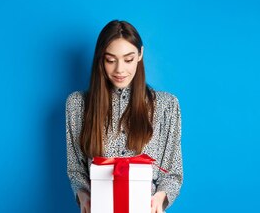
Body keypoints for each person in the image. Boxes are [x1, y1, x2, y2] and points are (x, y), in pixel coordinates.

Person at [65, 20, 183, 213]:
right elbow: (76, 168)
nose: (119, 69)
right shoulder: (77, 105)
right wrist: (83, 194)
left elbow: (173, 172)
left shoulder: (166, 106)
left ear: (140, 55)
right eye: (110, 60)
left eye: (128, 59)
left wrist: (160, 198)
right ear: (100, 59)